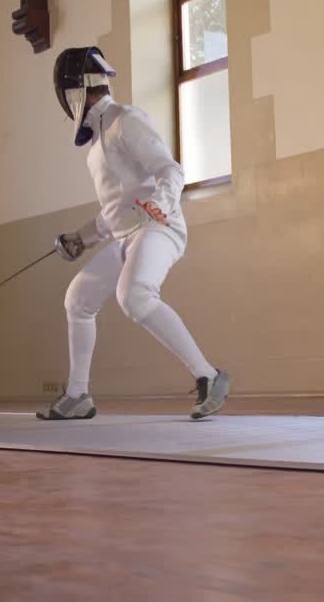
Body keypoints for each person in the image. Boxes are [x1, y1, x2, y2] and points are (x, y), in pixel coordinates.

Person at [39, 47, 230, 421]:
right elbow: (114, 214)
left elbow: (170, 170)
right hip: (127, 236)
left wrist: (160, 203)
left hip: (160, 226)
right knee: (77, 299)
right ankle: (78, 395)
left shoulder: (125, 120)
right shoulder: (98, 141)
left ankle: (209, 375)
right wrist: (79, 237)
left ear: (73, 91)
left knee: (135, 296)